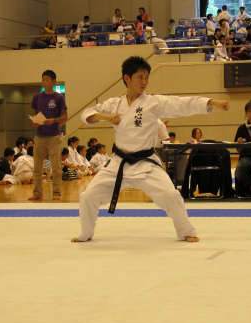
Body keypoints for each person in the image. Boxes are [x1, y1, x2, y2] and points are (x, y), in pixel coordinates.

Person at [72, 56, 229, 243]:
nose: (144, 82)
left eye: (147, 77)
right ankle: (86, 233)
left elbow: (181, 103)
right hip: (119, 163)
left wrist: (211, 102)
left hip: (145, 163)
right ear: (127, 78)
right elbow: (87, 114)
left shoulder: (153, 103)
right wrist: (105, 117)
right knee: (88, 196)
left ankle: (187, 231)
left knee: (171, 195)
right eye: (140, 77)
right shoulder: (114, 104)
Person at [30, 70, 68, 201]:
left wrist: (54, 120)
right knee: (37, 166)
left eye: (47, 79)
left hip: (54, 137)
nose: (44, 82)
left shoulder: (59, 97)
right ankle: (37, 192)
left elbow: (65, 117)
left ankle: (57, 192)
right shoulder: (37, 97)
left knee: (56, 167)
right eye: (43, 80)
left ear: (54, 81)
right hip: (40, 136)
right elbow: (35, 113)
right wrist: (35, 121)